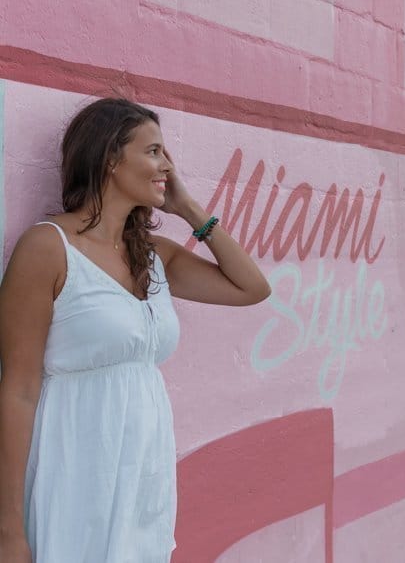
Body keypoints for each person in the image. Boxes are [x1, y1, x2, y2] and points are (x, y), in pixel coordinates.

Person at [0, 97, 271, 563]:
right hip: (70, 473)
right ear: (109, 158)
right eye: (153, 151)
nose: (167, 164)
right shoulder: (47, 248)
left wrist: (188, 208)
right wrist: (8, 532)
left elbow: (252, 288)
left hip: (142, 481)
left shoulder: (154, 255)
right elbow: (18, 390)